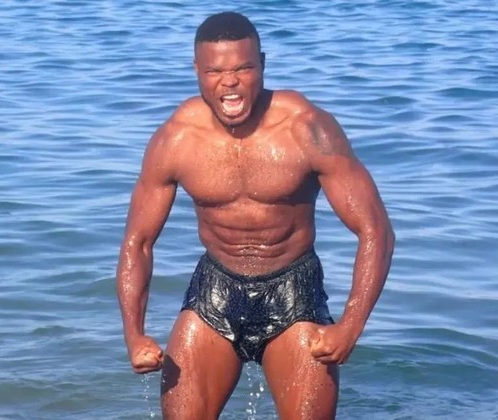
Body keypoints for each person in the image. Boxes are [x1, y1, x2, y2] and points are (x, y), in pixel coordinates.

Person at [116, 11, 395, 420]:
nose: (228, 82)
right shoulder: (175, 140)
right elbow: (137, 243)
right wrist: (134, 334)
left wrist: (351, 325)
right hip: (215, 288)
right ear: (197, 70)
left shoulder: (307, 128)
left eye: (242, 68)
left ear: (262, 64)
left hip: (293, 290)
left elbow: (376, 231)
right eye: (215, 71)